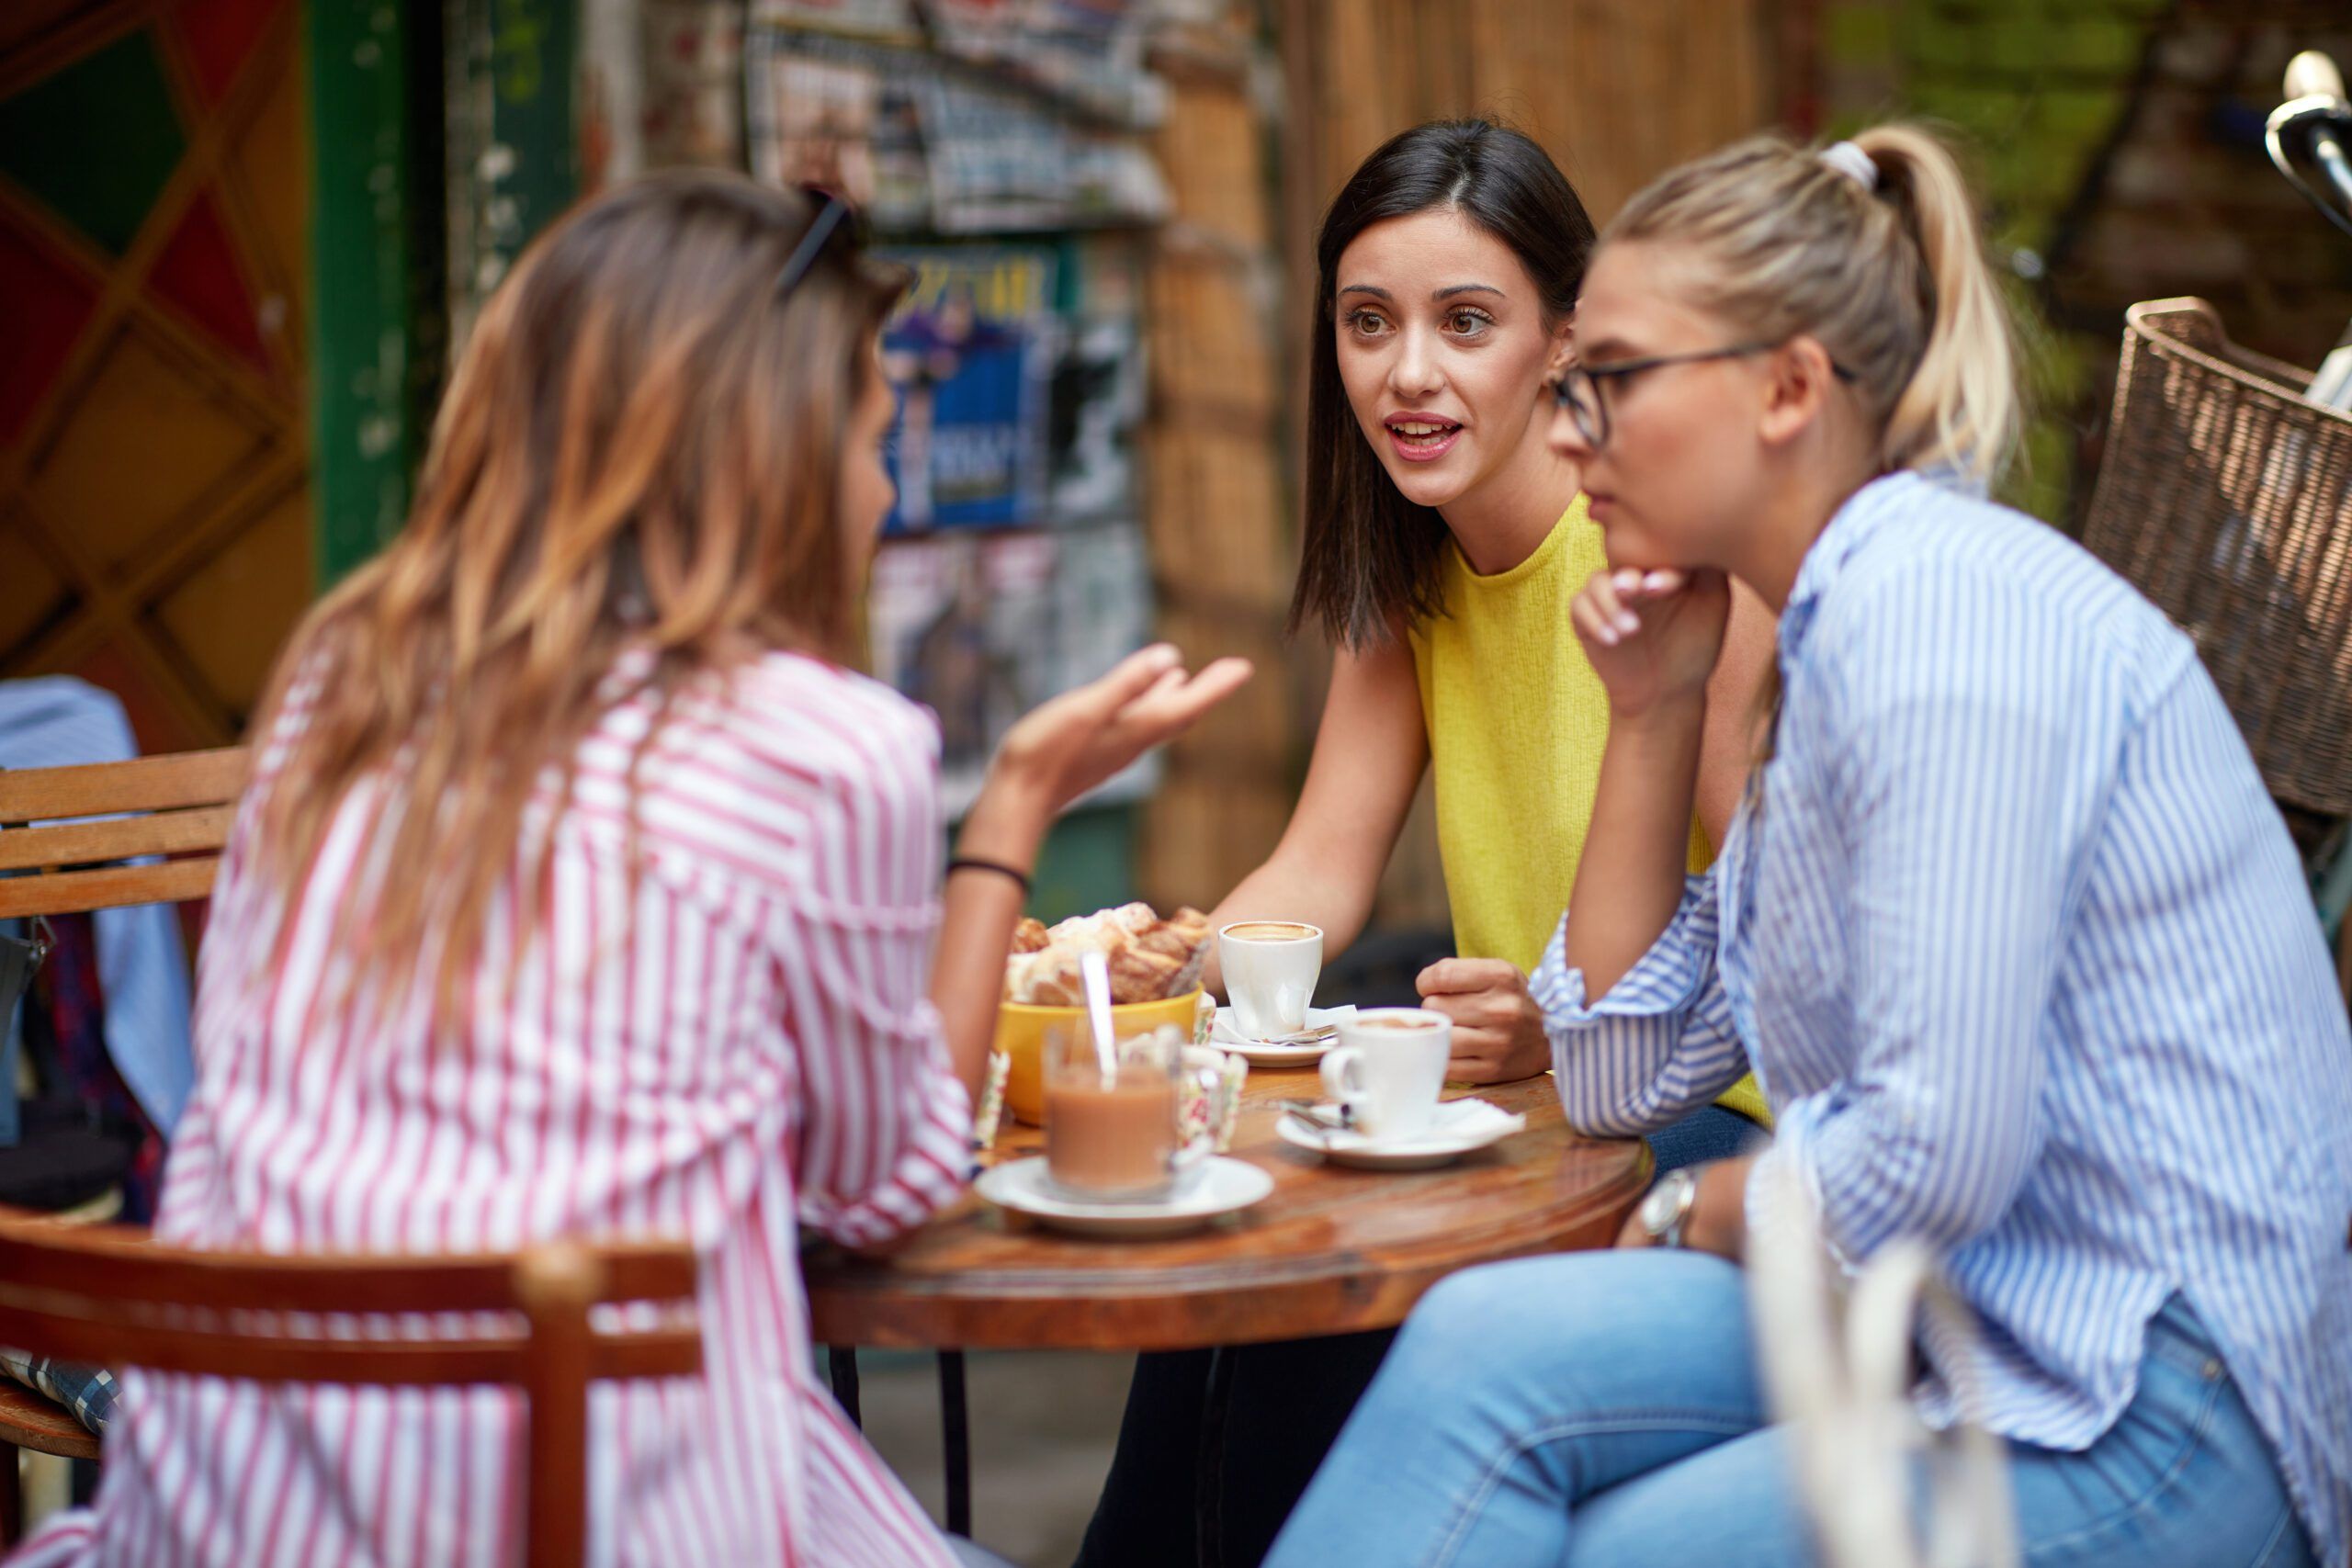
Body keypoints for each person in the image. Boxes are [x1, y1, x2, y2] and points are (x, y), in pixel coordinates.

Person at [8, 172, 1248, 1568]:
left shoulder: (340, 675)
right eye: (867, 431)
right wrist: (1009, 814)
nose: (884, 485)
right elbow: (884, 1186)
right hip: (588, 1509)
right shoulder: (826, 748)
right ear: (768, 457)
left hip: (231, 1515)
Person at [1262, 123, 2352, 1568]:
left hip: (2142, 1386)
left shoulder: (1937, 627)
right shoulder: (1818, 635)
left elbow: (1930, 1156)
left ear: (1789, 389)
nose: (1570, 428)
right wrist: (1648, 714)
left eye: (1616, 383)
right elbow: (1617, 1073)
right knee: (1477, 1345)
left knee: (1611, 1549)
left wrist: (1681, 1208)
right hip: (1949, 1302)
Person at [1077, 119, 1775, 1568]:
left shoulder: (1663, 559)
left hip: (1720, 1125)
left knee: (1327, 1314)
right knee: (1228, 1240)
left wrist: (1578, 1026)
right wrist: (1155, 964)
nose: (1409, 375)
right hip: (1530, 1112)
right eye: (1368, 323)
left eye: (1467, 324)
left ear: (1566, 340)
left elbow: (1797, 945)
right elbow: (1320, 871)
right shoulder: (1415, 570)